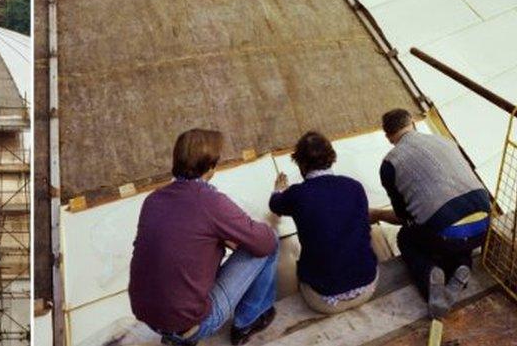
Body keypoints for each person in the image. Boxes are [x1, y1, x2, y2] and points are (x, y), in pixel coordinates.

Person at [129, 129, 279, 346]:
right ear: (211, 167)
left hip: (150, 319)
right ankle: (248, 320)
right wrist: (232, 235)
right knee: (271, 239)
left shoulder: (153, 200)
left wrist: (217, 238)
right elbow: (263, 243)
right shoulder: (210, 201)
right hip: (192, 324)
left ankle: (176, 337)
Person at [370, 108, 491, 318]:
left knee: (407, 237)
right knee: (456, 231)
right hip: (483, 225)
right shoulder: (445, 141)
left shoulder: (390, 164)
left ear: (389, 137)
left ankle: (430, 276)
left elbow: (405, 218)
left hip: (446, 235)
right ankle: (462, 266)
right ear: (413, 124)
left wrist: (378, 215)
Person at [268, 131, 378, 314]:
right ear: (331, 158)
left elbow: (274, 205)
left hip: (323, 298)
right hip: (367, 286)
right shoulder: (354, 186)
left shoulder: (297, 194)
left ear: (301, 163)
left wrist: (278, 190)